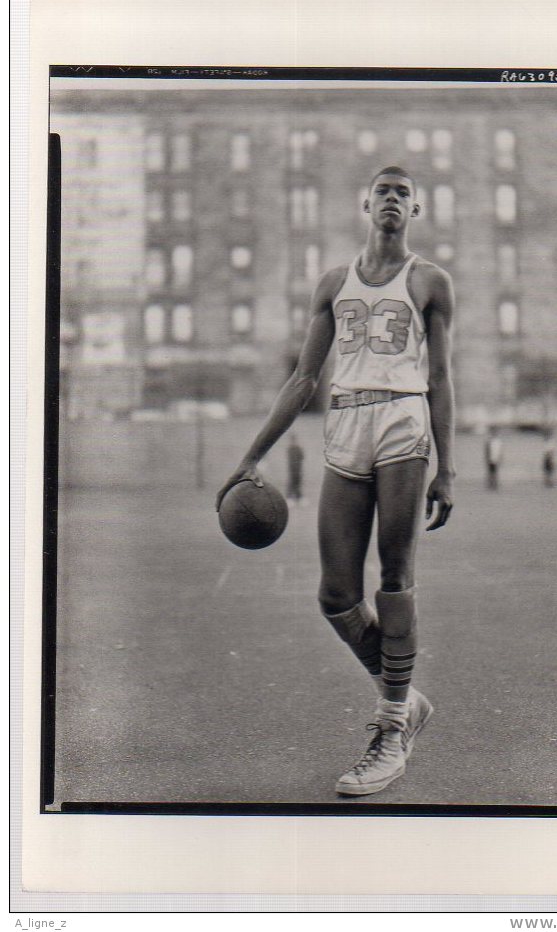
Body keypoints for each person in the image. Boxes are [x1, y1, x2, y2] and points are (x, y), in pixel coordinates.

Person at [216, 166, 455, 796]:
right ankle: (408, 699)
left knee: (395, 577)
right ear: (365, 203)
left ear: (416, 209)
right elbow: (302, 380)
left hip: (404, 418)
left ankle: (390, 728)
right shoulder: (332, 283)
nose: (392, 201)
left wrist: (448, 468)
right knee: (335, 595)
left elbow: (442, 381)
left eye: (404, 193)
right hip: (346, 422)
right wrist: (251, 457)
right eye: (383, 191)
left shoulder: (431, 281)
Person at [286, 432, 305, 504]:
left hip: (298, 468)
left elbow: (302, 457)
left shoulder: (298, 448)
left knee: (298, 482)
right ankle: (289, 497)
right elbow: (290, 460)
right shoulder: (290, 448)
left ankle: (299, 497)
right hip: (292, 469)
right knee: (291, 482)